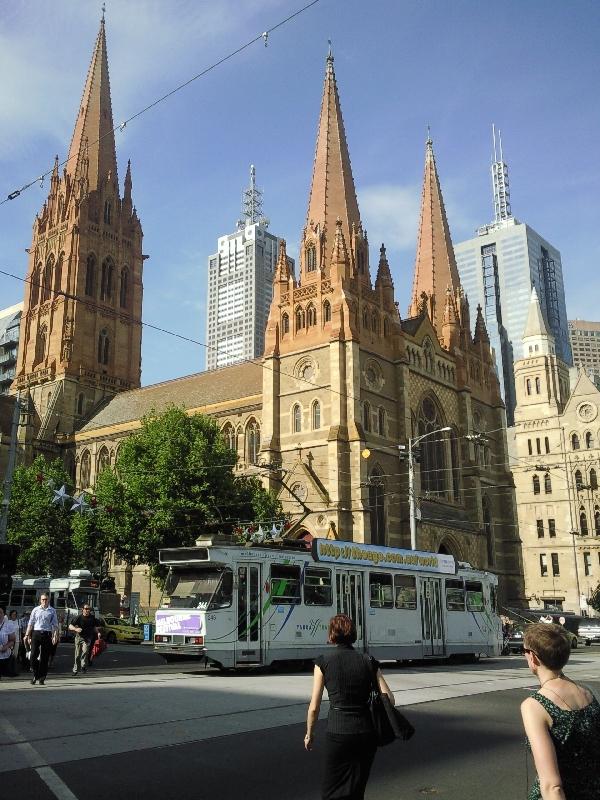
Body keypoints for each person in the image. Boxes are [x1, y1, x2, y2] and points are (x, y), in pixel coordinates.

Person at [305, 614, 395, 800]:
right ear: (353, 634)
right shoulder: (368, 661)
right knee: (356, 790)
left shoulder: (323, 662)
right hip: (366, 733)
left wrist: (310, 734)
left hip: (338, 733)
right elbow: (390, 700)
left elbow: (314, 707)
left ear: (331, 635)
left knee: (331, 791)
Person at [521, 622, 600, 800]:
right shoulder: (587, 692)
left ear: (533, 657)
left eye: (524, 651)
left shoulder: (534, 706)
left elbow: (552, 786)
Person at [24, 594, 59, 686]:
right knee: (33, 655)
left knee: (44, 657)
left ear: (48, 600)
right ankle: (36, 675)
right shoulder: (36, 609)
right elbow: (31, 623)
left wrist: (55, 635)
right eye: (43, 599)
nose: (44, 601)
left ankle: (42, 677)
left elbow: (55, 625)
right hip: (36, 633)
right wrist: (27, 635)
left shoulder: (52, 611)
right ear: (40, 600)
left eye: (46, 599)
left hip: (47, 634)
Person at [69, 603, 99, 674]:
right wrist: (76, 629)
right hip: (79, 637)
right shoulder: (79, 617)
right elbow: (70, 626)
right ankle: (75, 669)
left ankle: (83, 666)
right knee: (77, 655)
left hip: (88, 638)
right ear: (82, 609)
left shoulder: (92, 618)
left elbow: (94, 627)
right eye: (86, 609)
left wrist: (98, 632)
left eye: (89, 609)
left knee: (85, 652)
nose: (87, 610)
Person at [0, 606, 16, 679]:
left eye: (0, 612)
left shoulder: (8, 625)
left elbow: (12, 640)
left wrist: (5, 647)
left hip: (4, 656)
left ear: (4, 614)